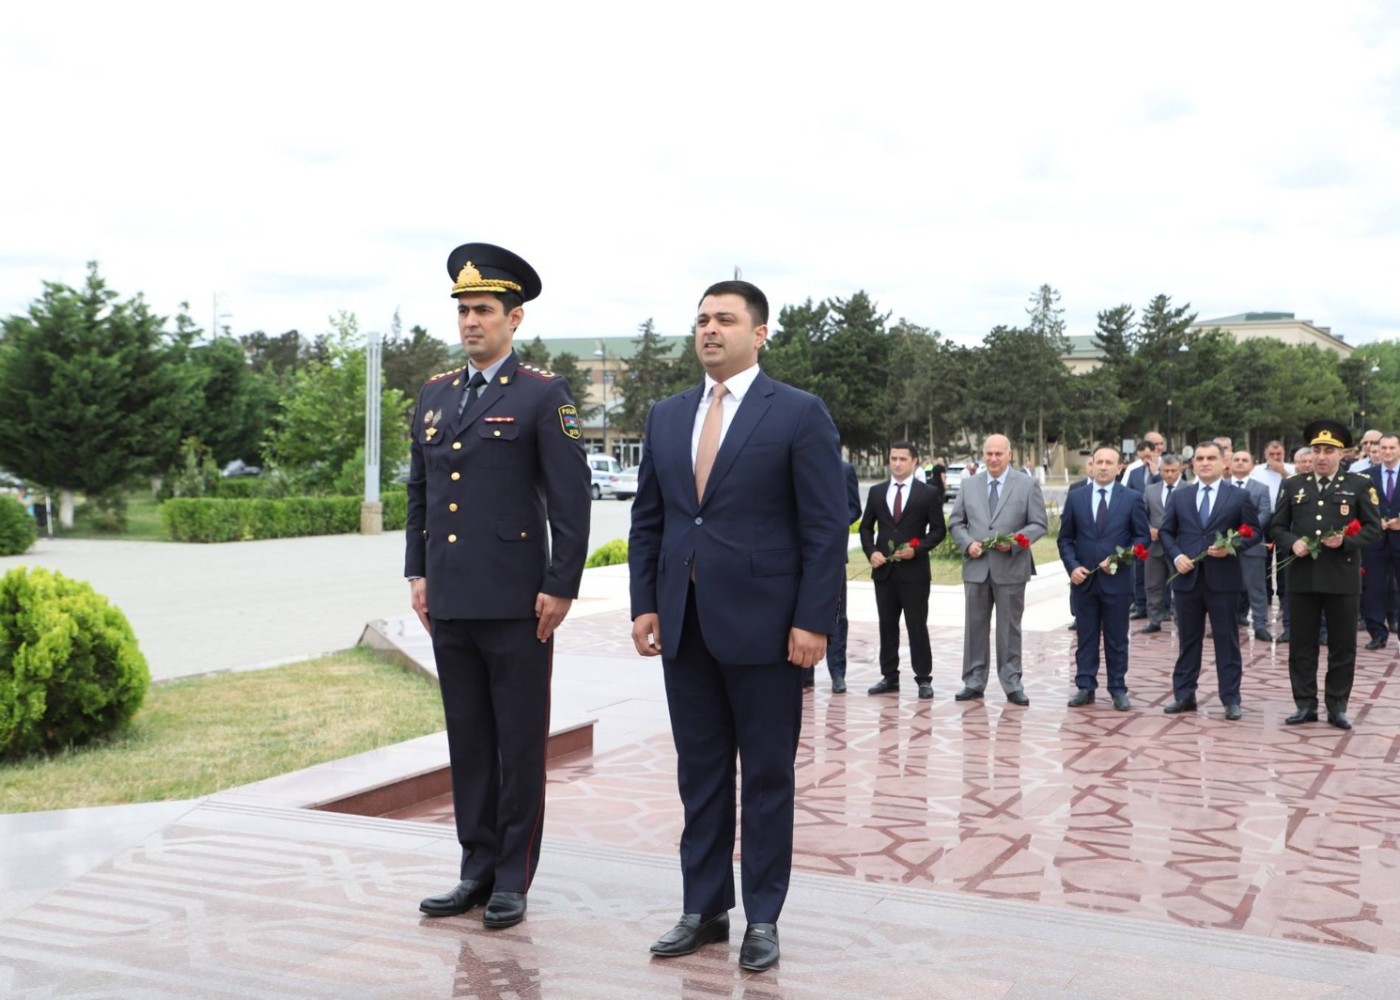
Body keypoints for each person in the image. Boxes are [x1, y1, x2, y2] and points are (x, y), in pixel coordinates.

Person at [629, 279, 846, 973]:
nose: (709, 330)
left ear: (760, 333)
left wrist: (815, 621)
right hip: (685, 628)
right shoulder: (666, 416)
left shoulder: (799, 414)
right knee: (701, 775)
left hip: (767, 631)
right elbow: (651, 522)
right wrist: (645, 604)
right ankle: (704, 908)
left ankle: (764, 917)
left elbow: (822, 528)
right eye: (701, 320)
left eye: (725, 319)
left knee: (767, 777)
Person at [409, 243, 592, 929]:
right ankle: (474, 868)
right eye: (463, 310)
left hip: (518, 605)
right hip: (451, 601)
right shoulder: (435, 394)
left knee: (517, 743)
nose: (470, 321)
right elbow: (420, 492)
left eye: (483, 309)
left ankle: (512, 876)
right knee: (469, 743)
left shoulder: (543, 395)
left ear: (514, 318)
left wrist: (561, 585)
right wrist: (417, 572)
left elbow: (571, 499)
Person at [1270, 419, 1383, 729]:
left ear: (1341, 454)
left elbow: (1374, 529)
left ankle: (1337, 706)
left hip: (1342, 578)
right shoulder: (1294, 485)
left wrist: (1346, 541)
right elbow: (1276, 526)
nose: (1321, 457)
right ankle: (1305, 704)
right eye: (1317, 450)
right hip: (1303, 578)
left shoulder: (1358, 484)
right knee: (1302, 645)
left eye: (1328, 451)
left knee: (1342, 645)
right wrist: (1292, 543)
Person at [1159, 441, 1262, 719]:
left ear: (1223, 463)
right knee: (1188, 640)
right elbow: (1167, 532)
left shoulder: (1238, 496)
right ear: (1192, 464)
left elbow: (1253, 532)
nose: (1205, 462)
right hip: (1187, 579)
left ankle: (1230, 698)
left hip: (1223, 581)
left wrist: (1231, 546)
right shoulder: (1180, 496)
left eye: (1211, 458)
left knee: (1226, 639)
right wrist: (1176, 555)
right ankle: (1184, 695)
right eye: (1200, 458)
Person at [948, 433, 1048, 705]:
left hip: (1011, 568)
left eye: (998, 454)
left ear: (1009, 454)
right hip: (977, 568)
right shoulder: (969, 485)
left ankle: (1012, 681)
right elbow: (956, 522)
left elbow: (1039, 524)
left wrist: (1015, 543)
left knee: (1009, 629)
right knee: (975, 627)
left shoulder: (1027, 485)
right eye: (988, 454)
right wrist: (967, 544)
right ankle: (974, 680)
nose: (993, 459)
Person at [1058, 444, 1149, 711]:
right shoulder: (1077, 497)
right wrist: (1072, 567)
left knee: (1116, 638)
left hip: (1117, 583)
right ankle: (1085, 686)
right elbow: (1065, 538)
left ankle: (1117, 688)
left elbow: (1142, 539)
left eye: (1110, 462)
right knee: (1086, 636)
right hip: (1084, 581)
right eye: (1100, 462)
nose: (1104, 467)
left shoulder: (1132, 498)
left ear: (1119, 467)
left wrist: (1121, 558)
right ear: (1092, 464)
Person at [861, 441, 946, 699]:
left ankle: (923, 678)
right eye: (893, 458)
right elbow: (866, 528)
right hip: (884, 573)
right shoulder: (877, 492)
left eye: (902, 459)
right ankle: (889, 676)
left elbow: (938, 531)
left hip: (915, 573)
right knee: (887, 624)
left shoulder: (927, 493)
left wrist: (916, 549)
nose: (897, 463)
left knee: (916, 625)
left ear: (914, 461)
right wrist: (872, 552)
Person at [818, 458, 863, 692]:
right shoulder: (796, 463)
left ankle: (837, 672)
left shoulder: (844, 469)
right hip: (797, 554)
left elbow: (854, 509)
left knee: (836, 615)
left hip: (832, 555)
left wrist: (830, 523)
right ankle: (804, 673)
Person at [1226, 449, 1276, 641]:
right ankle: (1225, 623)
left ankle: (1260, 624)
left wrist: (1244, 532)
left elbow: (1264, 514)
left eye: (1244, 460)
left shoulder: (1261, 488)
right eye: (1236, 459)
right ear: (1229, 463)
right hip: (1226, 547)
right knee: (1226, 587)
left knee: (1257, 588)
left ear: (1252, 464)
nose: (1240, 463)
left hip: (1253, 545)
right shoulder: (1222, 486)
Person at [1361, 434, 1400, 650]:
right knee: (1373, 587)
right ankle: (1377, 632)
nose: (1387, 451)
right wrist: (1376, 521)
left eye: (1391, 447)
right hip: (1375, 541)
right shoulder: (1366, 477)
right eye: (1383, 447)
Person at [1139, 453, 1184, 633]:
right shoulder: (1151, 490)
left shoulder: (1188, 489)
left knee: (1180, 586)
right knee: (1153, 584)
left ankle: (1181, 621)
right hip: (1155, 547)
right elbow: (1141, 515)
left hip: (1179, 546)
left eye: (1173, 470)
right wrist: (1149, 528)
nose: (1170, 474)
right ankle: (1154, 619)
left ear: (1180, 470)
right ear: (1160, 470)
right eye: (1166, 471)